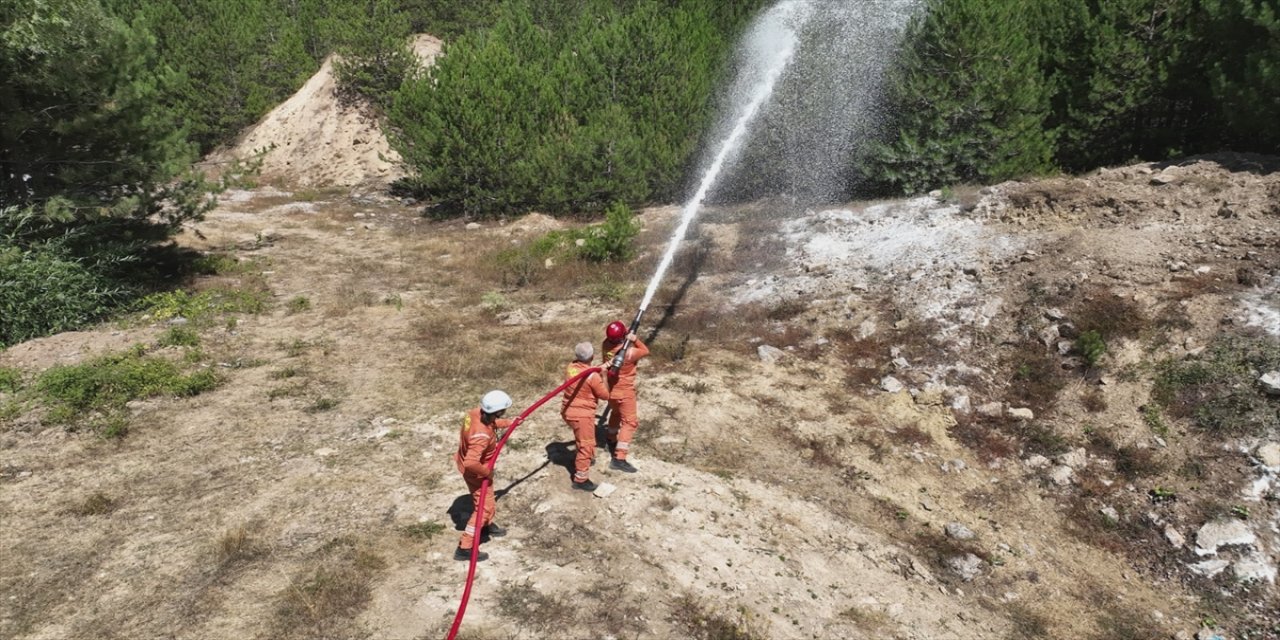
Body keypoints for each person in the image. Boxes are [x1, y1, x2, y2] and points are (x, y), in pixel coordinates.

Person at [454, 389, 513, 561]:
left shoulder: (474, 413)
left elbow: (489, 423)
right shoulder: (481, 436)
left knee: (484, 501)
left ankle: (485, 525)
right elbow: (471, 462)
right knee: (484, 508)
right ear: (497, 411)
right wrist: (487, 472)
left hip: (471, 469)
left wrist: (509, 423)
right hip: (477, 473)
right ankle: (465, 547)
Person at [561, 342, 611, 491]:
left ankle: (586, 458)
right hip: (582, 415)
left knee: (581, 438)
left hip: (568, 411)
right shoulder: (593, 377)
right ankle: (580, 479)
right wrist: (604, 376)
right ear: (592, 356)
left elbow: (586, 370)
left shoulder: (571, 367)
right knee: (586, 444)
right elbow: (605, 395)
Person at [601, 321, 648, 473]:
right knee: (630, 422)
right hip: (625, 392)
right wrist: (634, 339)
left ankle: (611, 438)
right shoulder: (630, 353)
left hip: (611, 390)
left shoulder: (605, 345)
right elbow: (645, 350)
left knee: (616, 413)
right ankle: (619, 458)